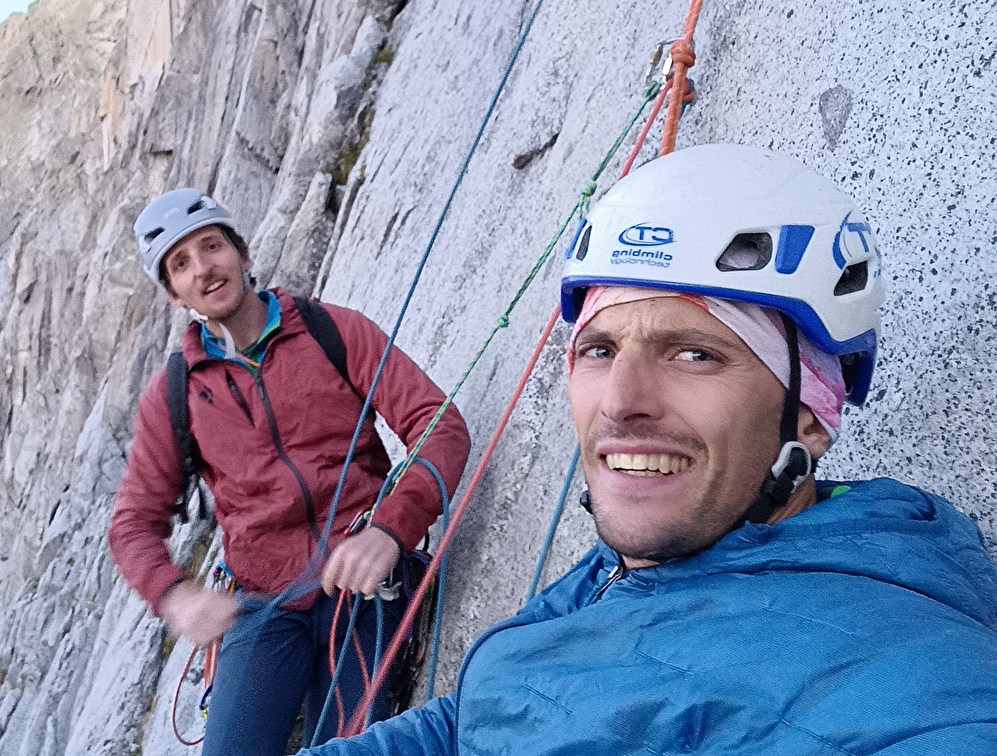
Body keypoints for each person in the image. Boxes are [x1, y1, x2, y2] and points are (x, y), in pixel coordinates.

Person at [304, 143, 997, 755]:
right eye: (599, 349)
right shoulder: (647, 553)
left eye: (695, 353)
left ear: (811, 417)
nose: (619, 400)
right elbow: (477, 717)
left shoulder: (903, 675)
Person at [107, 187, 470, 755]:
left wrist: (390, 530)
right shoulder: (175, 394)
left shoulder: (331, 332)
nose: (203, 268)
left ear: (243, 255)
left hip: (361, 581)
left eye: (212, 246)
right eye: (181, 263)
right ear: (174, 294)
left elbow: (438, 424)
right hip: (261, 603)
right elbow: (132, 524)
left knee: (347, 747)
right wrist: (175, 595)